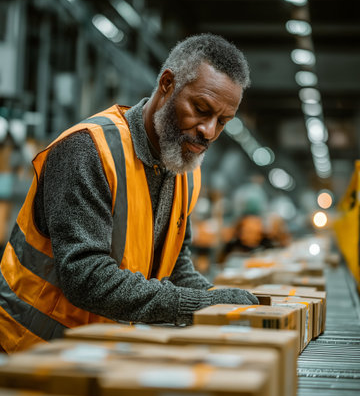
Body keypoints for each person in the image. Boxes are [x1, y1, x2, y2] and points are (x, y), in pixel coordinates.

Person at [0, 33, 259, 353]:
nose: (208, 130)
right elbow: (87, 277)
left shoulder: (185, 170)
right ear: (167, 85)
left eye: (223, 121)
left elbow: (176, 269)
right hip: (29, 351)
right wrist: (200, 305)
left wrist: (220, 305)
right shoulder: (88, 150)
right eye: (201, 109)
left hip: (98, 354)